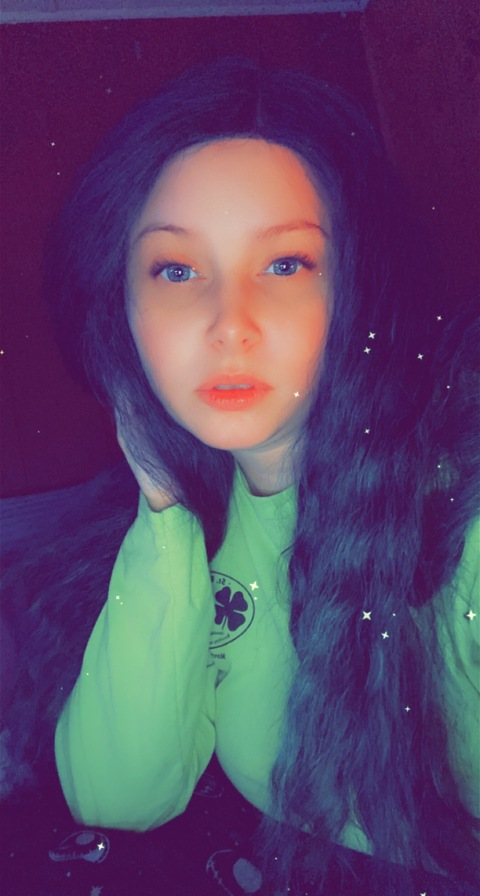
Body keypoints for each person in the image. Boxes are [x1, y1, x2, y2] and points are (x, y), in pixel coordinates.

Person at [18, 57, 480, 893]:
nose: (229, 325)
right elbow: (117, 801)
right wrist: (163, 511)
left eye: (286, 264)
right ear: (121, 308)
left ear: (360, 286)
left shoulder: (461, 522)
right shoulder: (192, 514)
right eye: (176, 270)